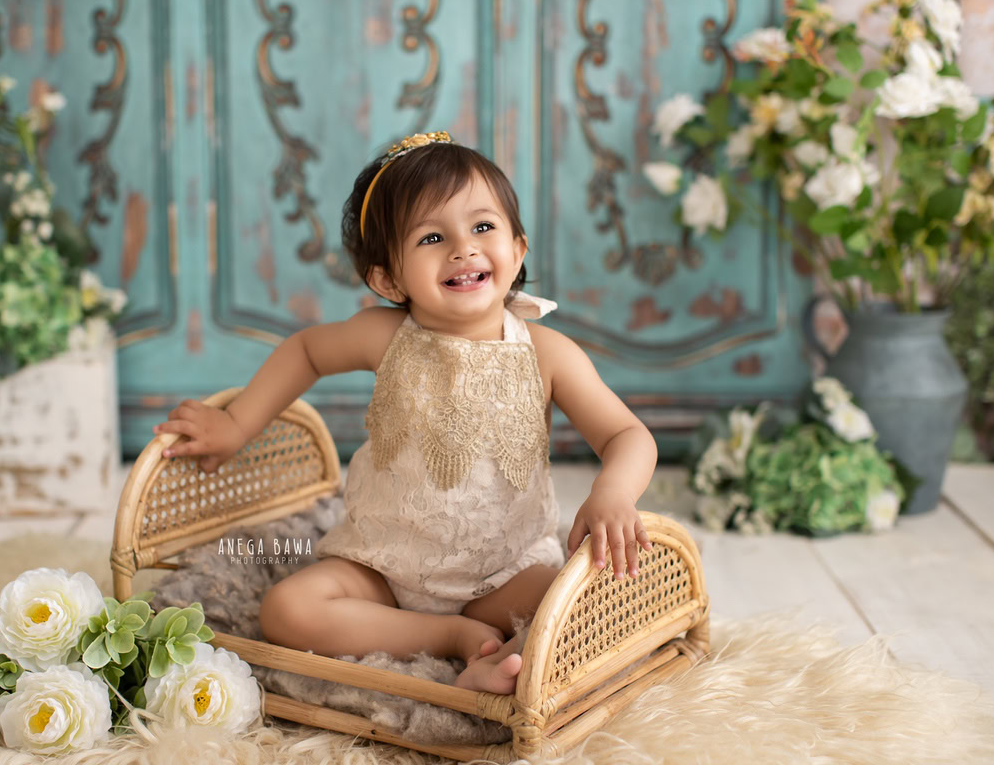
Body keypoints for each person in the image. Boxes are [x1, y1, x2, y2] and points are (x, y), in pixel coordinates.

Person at [151, 131, 657, 695]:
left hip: (501, 572)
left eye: (483, 227)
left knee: (596, 597)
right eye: (433, 236)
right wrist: (237, 424)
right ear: (387, 278)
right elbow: (305, 351)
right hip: (381, 566)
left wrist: (613, 492)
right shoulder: (384, 336)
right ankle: (451, 637)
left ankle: (502, 654)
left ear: (517, 250)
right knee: (287, 609)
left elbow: (626, 434)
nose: (463, 249)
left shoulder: (547, 354)